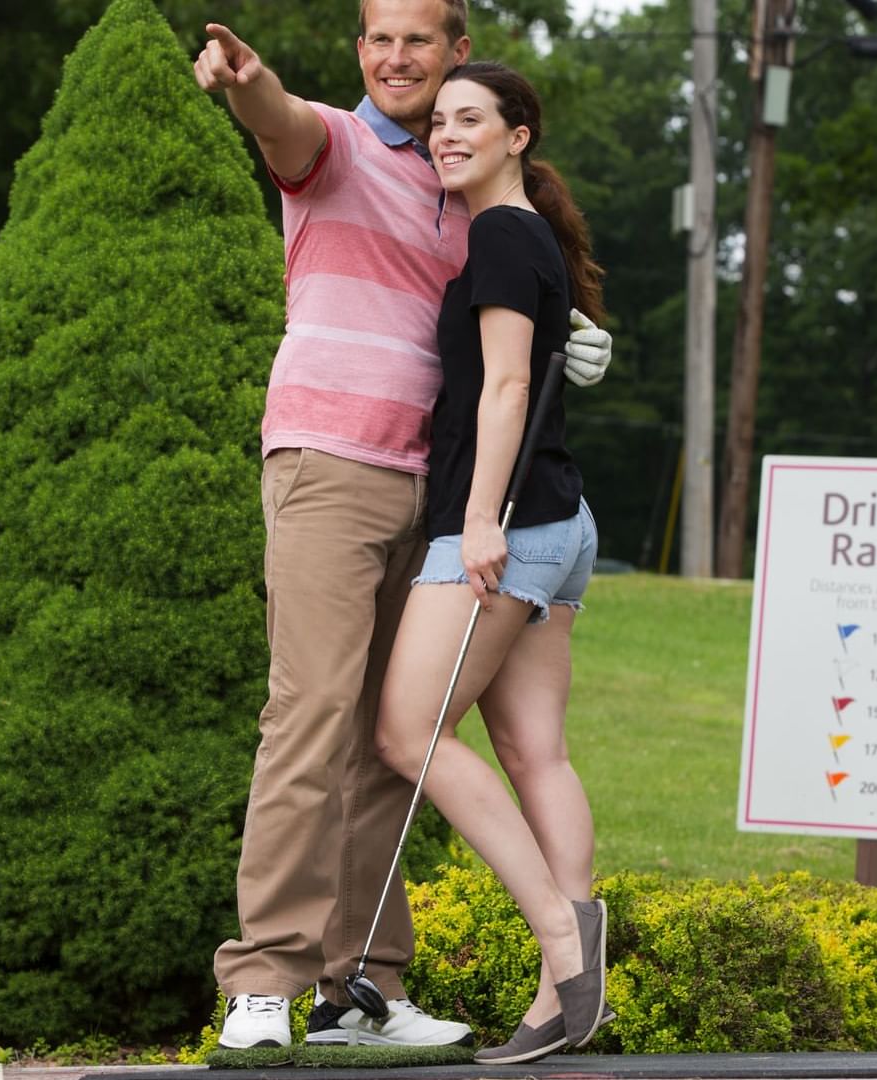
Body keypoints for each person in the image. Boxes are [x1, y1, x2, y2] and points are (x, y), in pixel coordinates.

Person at [190, 0, 613, 1052]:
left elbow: (501, 339)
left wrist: (573, 337)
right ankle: (265, 981)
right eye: (378, 39)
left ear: (456, 52)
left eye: (417, 40)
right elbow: (278, 118)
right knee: (312, 716)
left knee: (395, 744)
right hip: (332, 464)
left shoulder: (468, 186)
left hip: (438, 488)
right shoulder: (335, 144)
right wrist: (247, 83)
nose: (395, 57)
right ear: (360, 51)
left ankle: (359, 989)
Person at [372, 61, 609, 1067]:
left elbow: (506, 388)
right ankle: (572, 992)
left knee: (408, 732)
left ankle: (562, 940)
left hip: (509, 527)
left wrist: (476, 520)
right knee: (534, 753)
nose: (446, 134)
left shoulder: (505, 235)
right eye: (437, 121)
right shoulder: (522, 234)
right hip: (560, 521)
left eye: (470, 118)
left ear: (519, 135)